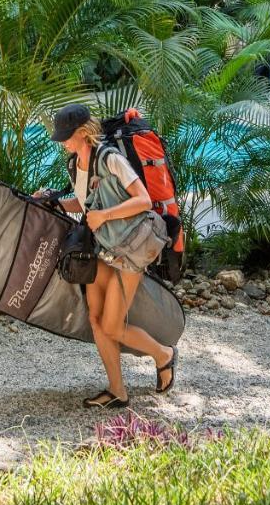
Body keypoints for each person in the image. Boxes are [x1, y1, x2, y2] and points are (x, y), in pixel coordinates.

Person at [35, 103, 177, 409]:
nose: (63, 142)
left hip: (130, 249)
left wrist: (106, 215)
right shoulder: (75, 165)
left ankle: (164, 355)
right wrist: (55, 202)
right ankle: (117, 391)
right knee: (97, 321)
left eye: (67, 136)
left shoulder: (111, 159)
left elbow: (143, 200)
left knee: (113, 325)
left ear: (83, 133)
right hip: (102, 249)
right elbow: (86, 206)